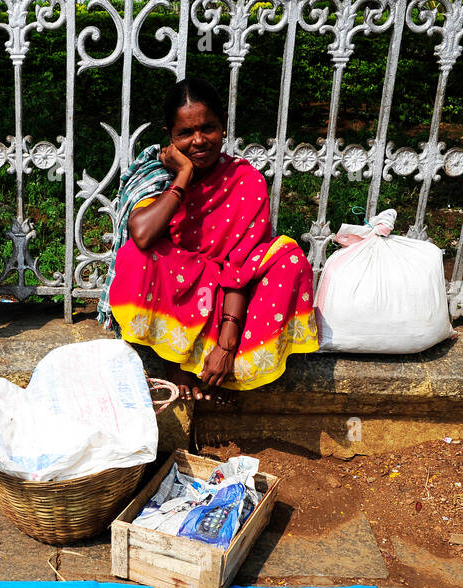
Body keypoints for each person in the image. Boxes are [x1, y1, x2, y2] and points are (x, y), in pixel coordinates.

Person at [97, 77, 319, 400]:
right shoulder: (157, 174)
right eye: (185, 133)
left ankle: (226, 366)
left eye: (208, 128)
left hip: (231, 301)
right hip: (177, 297)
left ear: (223, 128)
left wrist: (227, 344)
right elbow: (142, 235)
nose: (199, 141)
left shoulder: (246, 181)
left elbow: (241, 265)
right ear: (170, 137)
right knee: (138, 255)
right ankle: (176, 360)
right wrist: (184, 176)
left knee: (290, 260)